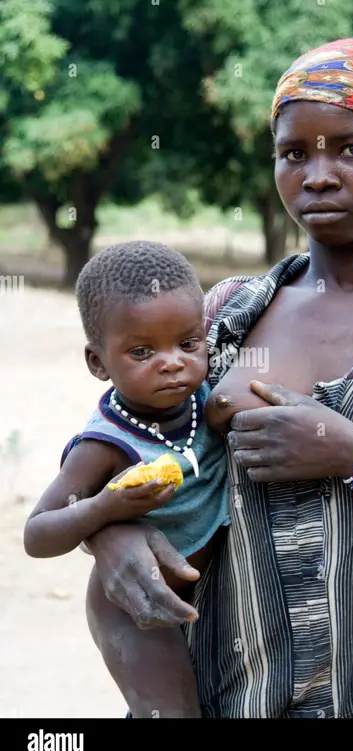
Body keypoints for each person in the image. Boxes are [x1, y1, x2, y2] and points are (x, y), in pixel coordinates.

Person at [83, 35, 353, 719]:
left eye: (351, 148)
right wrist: (109, 534)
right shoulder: (221, 318)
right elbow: (112, 455)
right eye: (294, 153)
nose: (317, 175)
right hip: (209, 701)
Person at [23, 241, 231, 718]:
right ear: (98, 362)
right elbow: (38, 533)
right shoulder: (105, 446)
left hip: (209, 591)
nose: (172, 361)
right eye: (142, 351)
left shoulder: (208, 399)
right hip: (129, 602)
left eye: (188, 343)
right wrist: (106, 509)